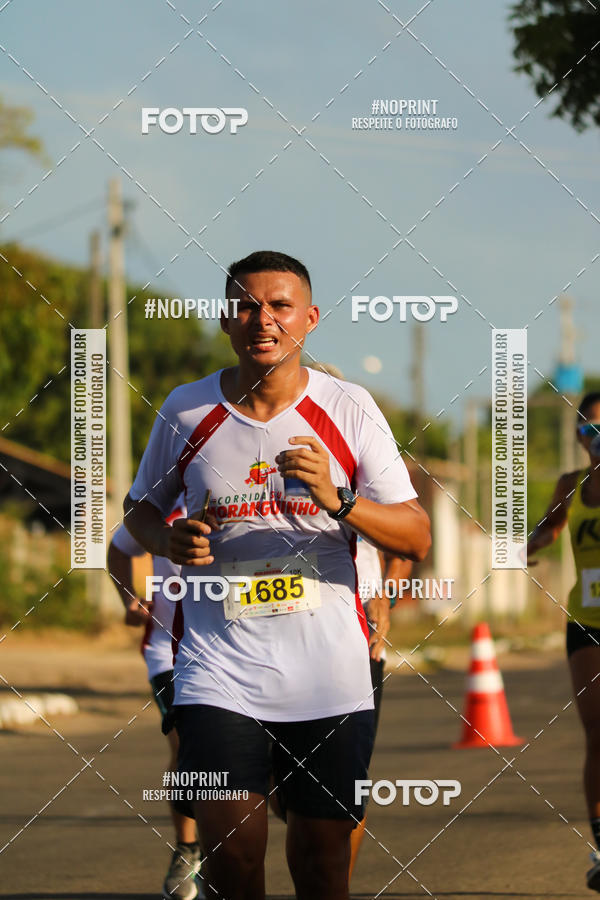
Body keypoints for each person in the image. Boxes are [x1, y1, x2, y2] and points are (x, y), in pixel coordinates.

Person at [122, 250, 431, 900]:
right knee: (232, 861)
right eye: (245, 305)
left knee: (322, 868)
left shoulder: (349, 407)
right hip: (217, 668)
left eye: (280, 305)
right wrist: (168, 538)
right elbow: (139, 512)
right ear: (227, 322)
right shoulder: (186, 410)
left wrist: (339, 499)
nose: (263, 319)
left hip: (329, 672)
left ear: (310, 319)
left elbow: (417, 533)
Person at [307, 363, 414, 879]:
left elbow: (407, 539)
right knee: (286, 797)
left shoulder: (363, 458)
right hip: (262, 636)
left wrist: (386, 598)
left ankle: (335, 886)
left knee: (343, 786)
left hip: (355, 636)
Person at [107, 497, 205, 900]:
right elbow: (118, 550)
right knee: (187, 747)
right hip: (170, 652)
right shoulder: (162, 504)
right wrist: (130, 600)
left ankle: (229, 837)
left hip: (244, 652)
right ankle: (188, 850)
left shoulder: (253, 497)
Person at [527, 392, 600, 893]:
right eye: (589, 429)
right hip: (588, 620)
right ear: (578, 435)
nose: (597, 439)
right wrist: (525, 544)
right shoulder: (572, 486)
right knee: (599, 735)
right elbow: (548, 529)